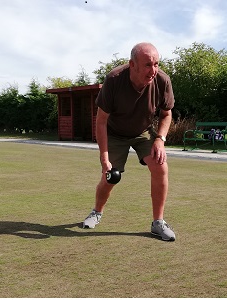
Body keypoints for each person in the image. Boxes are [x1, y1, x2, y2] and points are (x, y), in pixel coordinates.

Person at [82, 42, 176, 241]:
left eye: (156, 64)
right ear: (132, 64)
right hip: (114, 133)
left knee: (160, 166)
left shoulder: (162, 81)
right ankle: (96, 212)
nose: (153, 70)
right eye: (148, 65)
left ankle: (158, 222)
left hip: (143, 132)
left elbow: (166, 114)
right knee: (111, 177)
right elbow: (101, 121)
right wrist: (104, 158)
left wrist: (160, 139)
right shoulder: (114, 79)